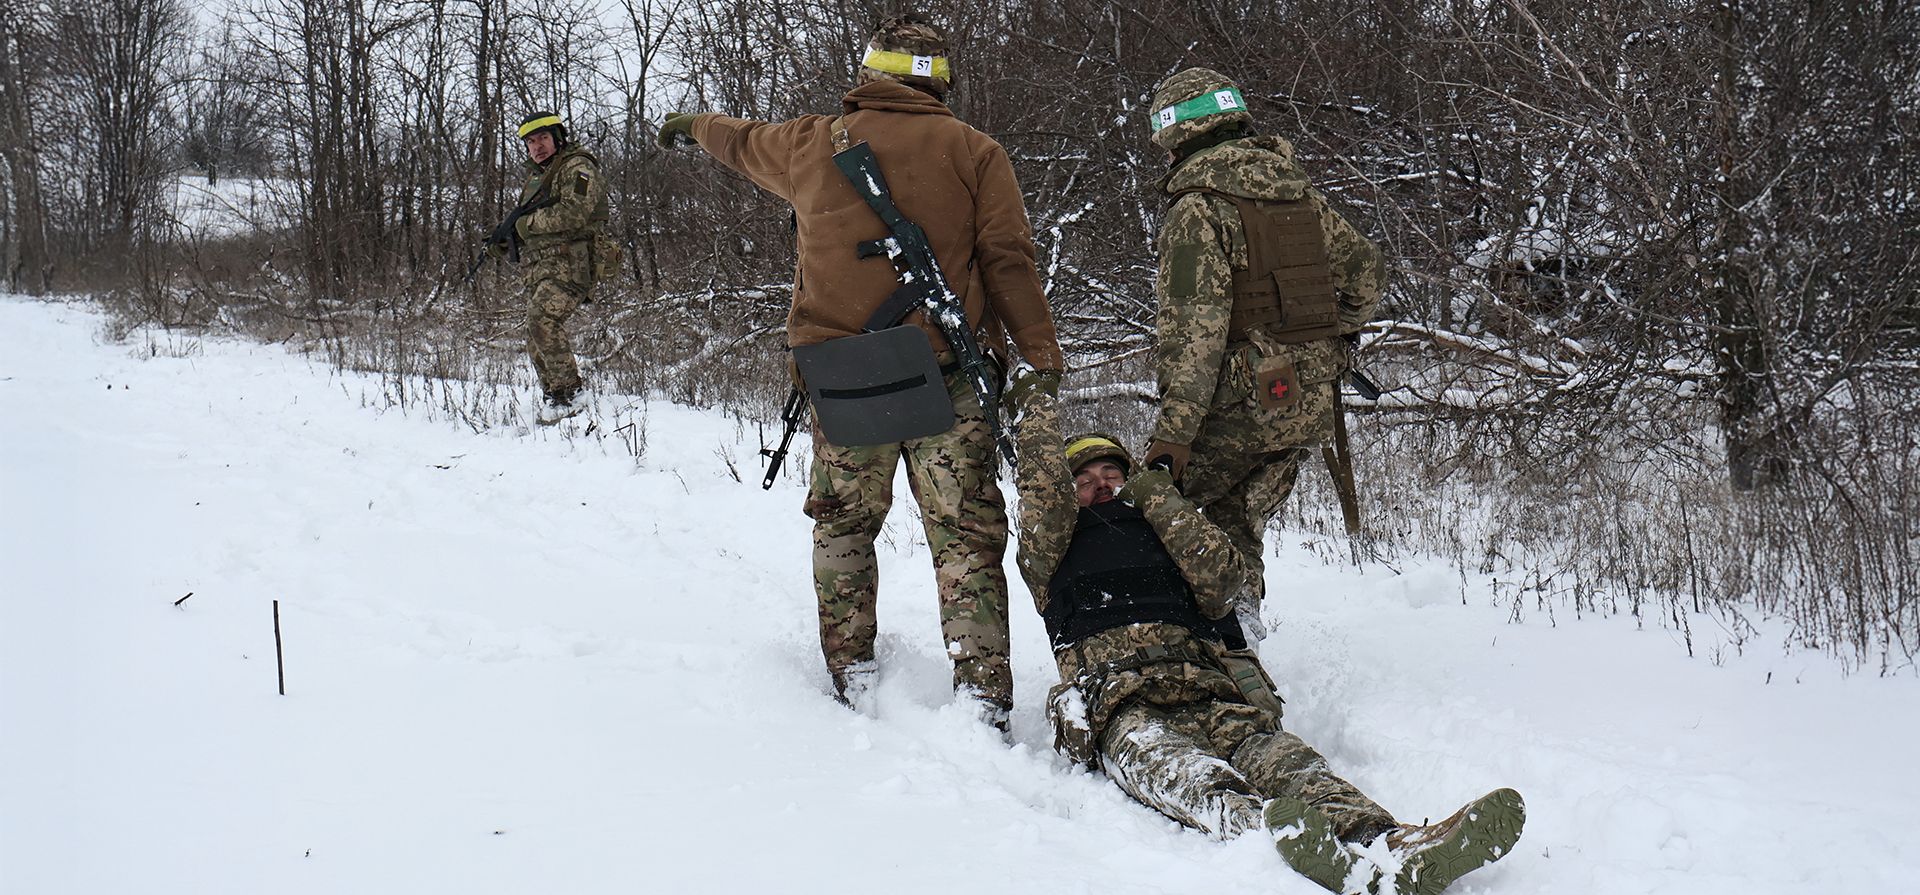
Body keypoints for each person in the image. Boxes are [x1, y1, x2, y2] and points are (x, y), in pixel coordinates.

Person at [656, 13, 1065, 729]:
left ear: (870, 71)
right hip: (948, 376)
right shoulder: (976, 151)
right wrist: (1040, 358)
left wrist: (693, 124)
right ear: (939, 80)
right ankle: (981, 697)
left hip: (845, 380)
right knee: (965, 535)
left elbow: (739, 141)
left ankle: (852, 673)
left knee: (843, 525)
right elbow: (1008, 262)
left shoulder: (810, 143)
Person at [1005, 372, 1523, 895]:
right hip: (1120, 704)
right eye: (1083, 479)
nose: (1101, 485)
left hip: (1209, 689)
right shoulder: (1051, 550)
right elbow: (1042, 492)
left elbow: (1224, 580)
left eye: (1112, 473)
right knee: (1195, 780)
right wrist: (1036, 403)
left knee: (1295, 768)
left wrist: (1159, 499)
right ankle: (1286, 843)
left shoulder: (1169, 533)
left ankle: (1392, 844)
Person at [1141, 68, 1385, 636]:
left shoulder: (1197, 209)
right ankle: (1240, 629)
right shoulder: (1301, 196)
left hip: (1237, 404)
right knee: (1240, 520)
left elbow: (1193, 335)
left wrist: (1173, 437)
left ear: (1178, 133)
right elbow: (1367, 275)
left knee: (1151, 511)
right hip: (1306, 401)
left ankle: (1165, 639)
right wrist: (1330, 337)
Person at [494, 110, 610, 424]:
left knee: (542, 320)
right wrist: (504, 240)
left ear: (557, 137)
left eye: (543, 138)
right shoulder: (538, 178)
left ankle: (569, 395)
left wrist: (525, 225)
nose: (537, 147)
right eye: (531, 142)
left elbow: (573, 213)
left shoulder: (578, 167)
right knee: (534, 332)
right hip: (542, 266)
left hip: (573, 264)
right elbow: (530, 224)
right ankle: (553, 396)